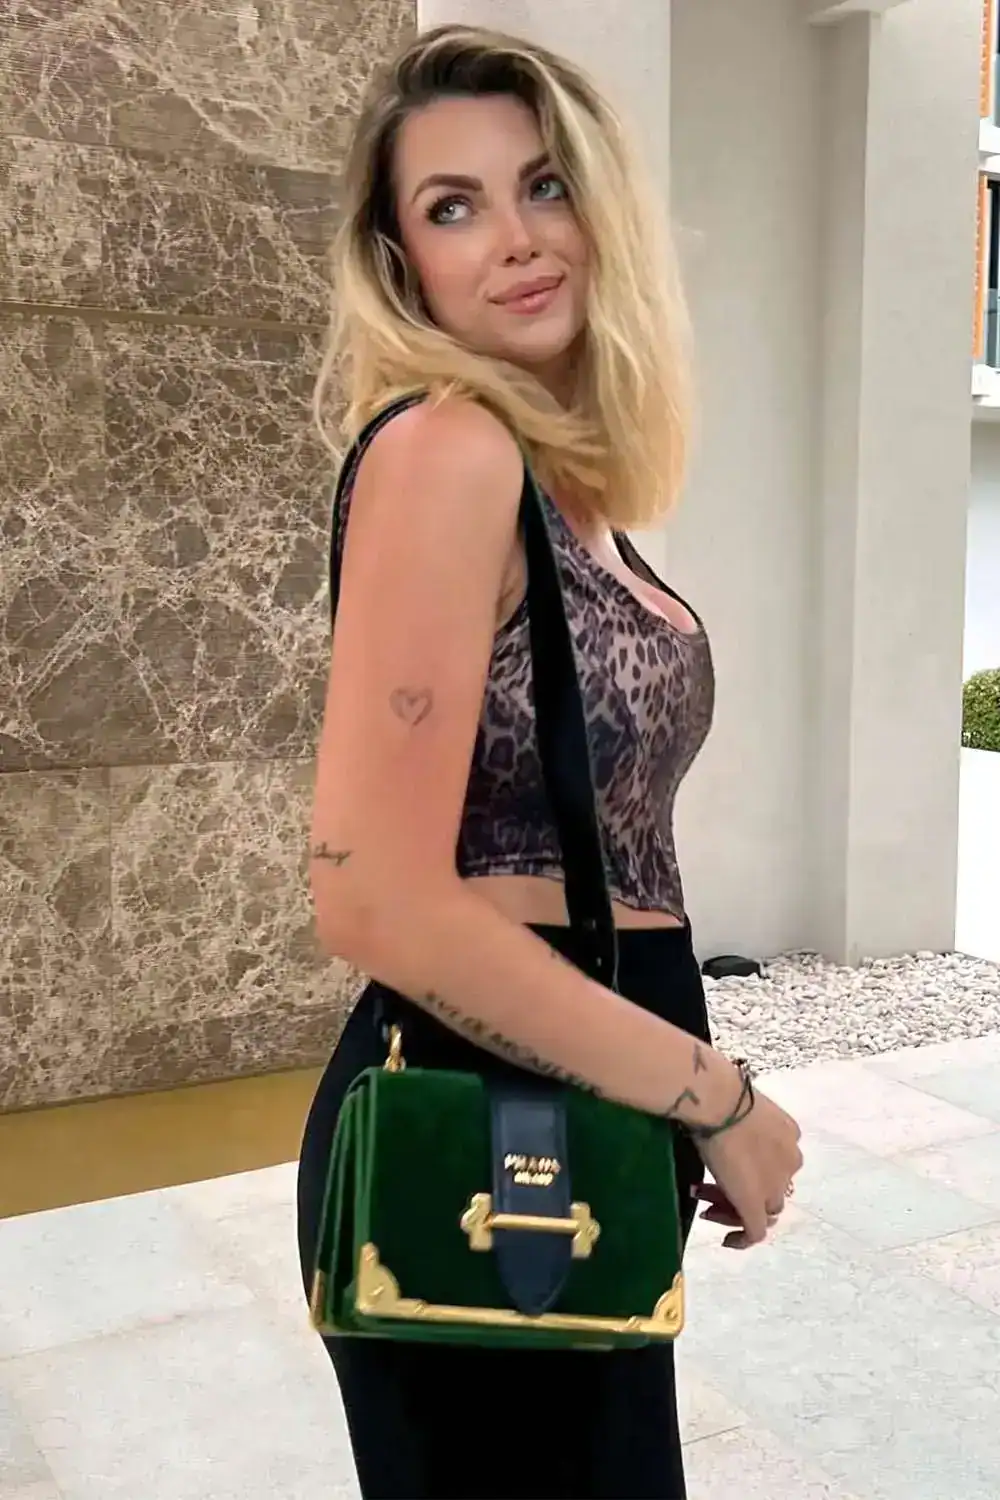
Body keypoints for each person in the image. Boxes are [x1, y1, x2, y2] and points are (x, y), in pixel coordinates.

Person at [297, 23, 802, 1500]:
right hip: (487, 1129)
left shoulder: (560, 489)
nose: (514, 238)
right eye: (451, 206)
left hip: (569, 1113)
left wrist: (666, 1098)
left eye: (545, 186)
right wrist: (712, 1092)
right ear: (402, 263)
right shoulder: (448, 452)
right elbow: (370, 895)